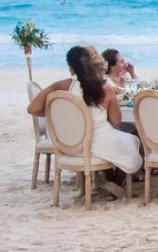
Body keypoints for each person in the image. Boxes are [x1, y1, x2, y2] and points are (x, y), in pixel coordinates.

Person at [28, 46, 143, 196]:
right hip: (99, 143)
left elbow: (32, 109)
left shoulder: (61, 86)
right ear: (91, 64)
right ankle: (114, 182)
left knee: (114, 143)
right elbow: (116, 121)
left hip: (70, 146)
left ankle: (108, 180)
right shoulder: (105, 87)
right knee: (134, 140)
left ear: (70, 67)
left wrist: (57, 113)